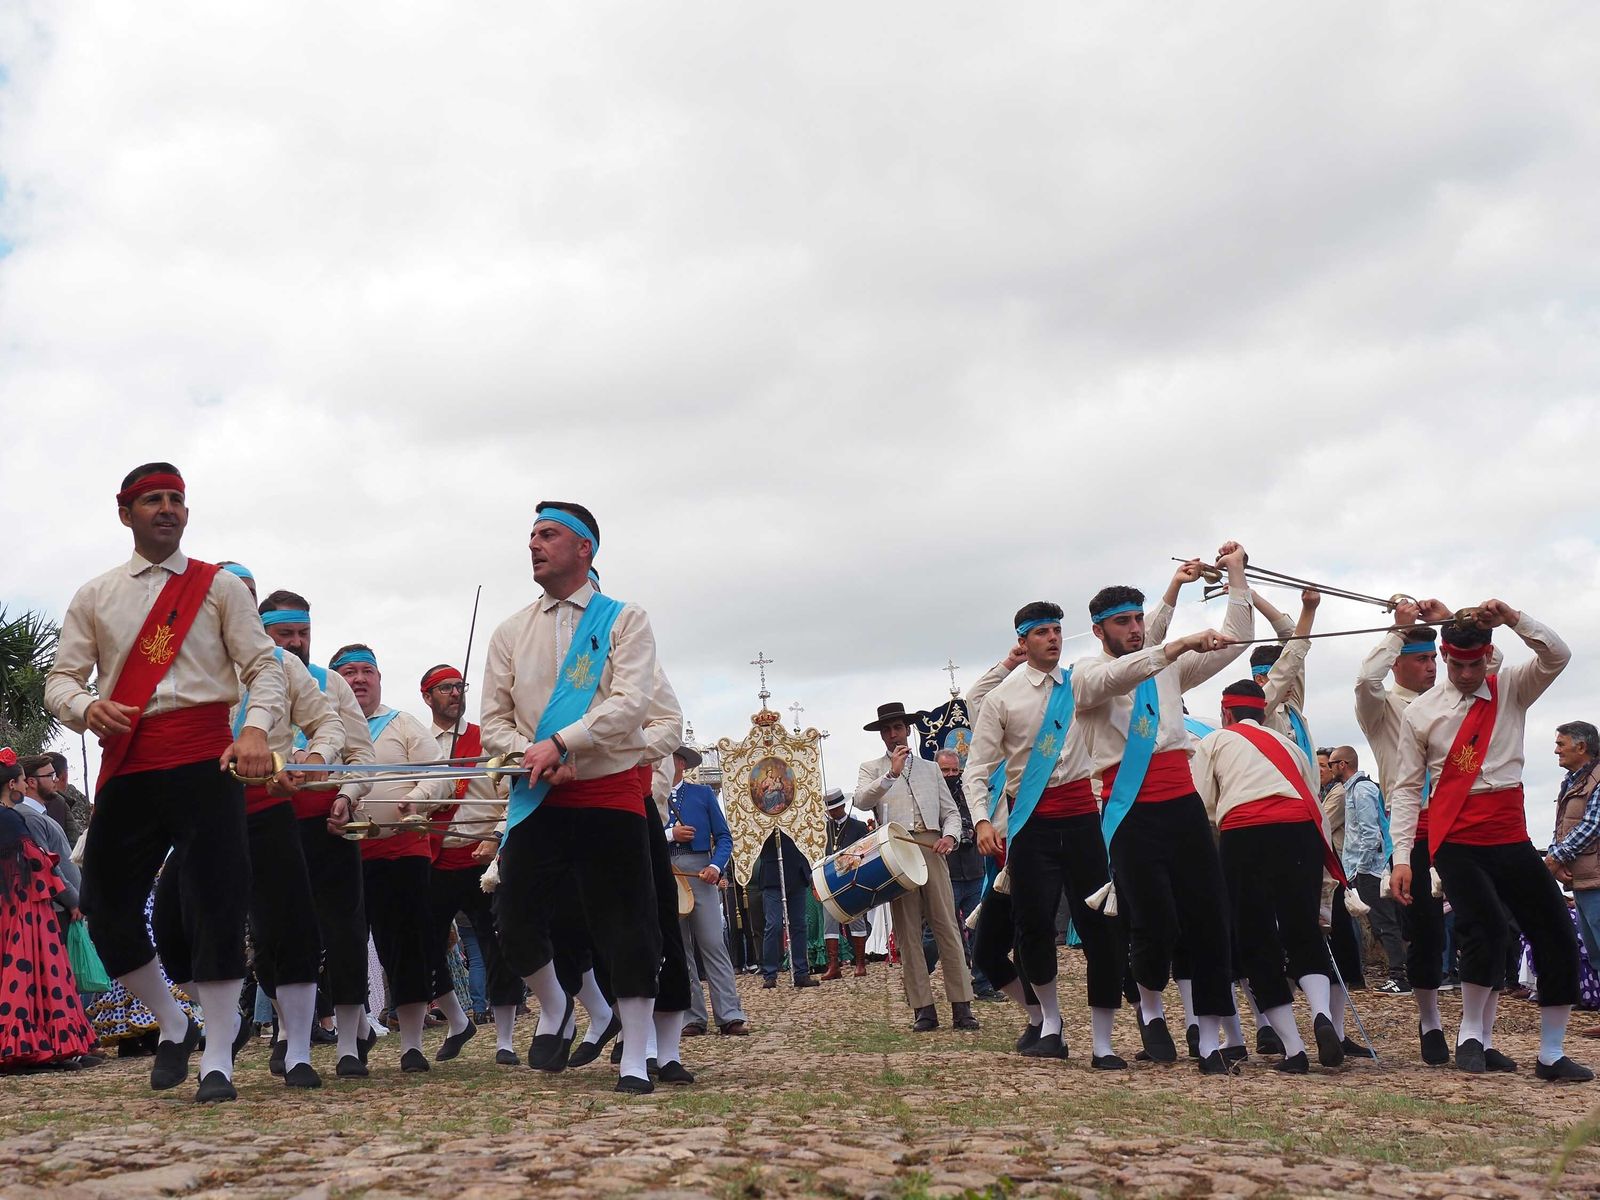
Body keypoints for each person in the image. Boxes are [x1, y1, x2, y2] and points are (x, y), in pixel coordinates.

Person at [44, 462, 286, 1103]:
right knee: (105, 906)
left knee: (217, 902)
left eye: (176, 499)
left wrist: (256, 729)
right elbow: (61, 681)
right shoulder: (96, 595)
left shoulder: (218, 588)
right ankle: (174, 1022)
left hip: (208, 760)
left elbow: (263, 667)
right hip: (131, 763)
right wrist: (85, 708)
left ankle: (219, 1059)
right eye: (152, 500)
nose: (167, 509)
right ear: (125, 513)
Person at [480, 500, 664, 1094]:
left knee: (627, 923)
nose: (534, 544)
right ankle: (556, 1005)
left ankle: (636, 1052)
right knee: (515, 920)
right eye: (531, 535)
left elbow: (632, 703)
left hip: (607, 792)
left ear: (584, 547)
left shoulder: (623, 618)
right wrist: (534, 754)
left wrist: (562, 742)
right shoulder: (510, 631)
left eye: (549, 534)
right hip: (539, 796)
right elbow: (494, 723)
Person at [1070, 542, 1252, 1075]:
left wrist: (1236, 577)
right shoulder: (1085, 675)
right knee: (1155, 924)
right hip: (1130, 811)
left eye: (1137, 619)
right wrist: (1170, 646)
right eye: (1123, 622)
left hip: (1182, 803)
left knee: (1209, 918)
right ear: (1100, 630)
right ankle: (1151, 1008)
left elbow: (1236, 640)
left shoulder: (1166, 668)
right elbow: (1115, 678)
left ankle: (1211, 1034)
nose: (1133, 627)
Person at [1391, 604, 1591, 1082]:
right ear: (1443, 656)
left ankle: (1551, 1053)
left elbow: (1558, 655)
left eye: (1474, 664)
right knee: (1484, 929)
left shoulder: (1511, 689)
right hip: (1455, 836)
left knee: (1555, 933)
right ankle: (1472, 1037)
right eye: (1456, 664)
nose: (1465, 673)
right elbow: (1404, 788)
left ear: (1488, 657)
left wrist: (1514, 617)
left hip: (1509, 833)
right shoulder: (1421, 712)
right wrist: (1402, 857)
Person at [965, 602, 1126, 1067]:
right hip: (1029, 821)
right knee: (1032, 926)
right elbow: (977, 769)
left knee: (1099, 923)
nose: (1053, 638)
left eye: (1057, 630)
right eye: (1042, 632)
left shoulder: (1081, 683)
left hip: (1081, 816)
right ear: (1023, 641)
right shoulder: (1002, 699)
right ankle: (1049, 1022)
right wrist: (979, 820)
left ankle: (1104, 1041)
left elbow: (1128, 665)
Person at [1193, 680, 1346, 1073]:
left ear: (1226, 713)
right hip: (1301, 831)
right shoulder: (1291, 747)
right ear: (1263, 713)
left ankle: (1294, 1048)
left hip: (1246, 831)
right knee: (1302, 929)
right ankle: (1320, 1013)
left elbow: (1205, 804)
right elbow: (1312, 794)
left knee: (1255, 938)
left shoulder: (1215, 742)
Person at [256, 588, 378, 1077]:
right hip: (267, 823)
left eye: (304, 633)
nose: (297, 642)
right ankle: (289, 1030)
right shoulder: (242, 680)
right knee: (270, 936)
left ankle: (350, 1038)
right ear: (261, 633)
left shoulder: (330, 683)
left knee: (345, 931)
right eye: (285, 633)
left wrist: (347, 796)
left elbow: (362, 757)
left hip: (328, 823)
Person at [332, 643, 455, 1074]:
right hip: (340, 852)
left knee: (407, 945)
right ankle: (349, 1040)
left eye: (367, 671)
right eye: (348, 672)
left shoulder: (403, 723)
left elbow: (439, 772)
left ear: (380, 679)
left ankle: (412, 1044)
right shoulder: (321, 727)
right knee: (344, 947)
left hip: (402, 851)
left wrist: (417, 801)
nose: (359, 679)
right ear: (334, 682)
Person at [1355, 609, 1450, 1062]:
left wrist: (1451, 621)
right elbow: (1364, 682)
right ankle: (1429, 1021)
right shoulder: (1383, 708)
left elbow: (1489, 667)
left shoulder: (1449, 700)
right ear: (1398, 662)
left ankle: (1475, 1032)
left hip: (1459, 819)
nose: (1432, 666)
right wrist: (1395, 630)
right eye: (1420, 658)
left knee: (1477, 922)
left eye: (1435, 657)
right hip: (1412, 825)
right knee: (1426, 929)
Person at [418, 663, 525, 1066]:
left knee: (499, 943)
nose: (454, 694)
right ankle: (458, 1020)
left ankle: (505, 1040)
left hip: (483, 858)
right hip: (437, 856)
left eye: (459, 686)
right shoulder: (421, 742)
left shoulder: (487, 739)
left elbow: (513, 795)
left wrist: (495, 835)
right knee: (425, 947)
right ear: (427, 696)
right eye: (445, 688)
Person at [856, 701, 977, 1032]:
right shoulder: (872, 768)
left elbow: (951, 812)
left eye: (898, 728)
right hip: (896, 853)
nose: (894, 734)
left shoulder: (931, 768)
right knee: (908, 932)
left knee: (947, 927)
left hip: (932, 847)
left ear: (907, 730)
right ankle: (923, 1008)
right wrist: (890, 774)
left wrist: (950, 837)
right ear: (882, 736)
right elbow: (861, 801)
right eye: (887, 730)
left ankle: (962, 1005)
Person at [0, 803, 96, 1073]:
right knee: (32, 980)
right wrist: (71, 899)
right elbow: (39, 863)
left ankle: (27, 1048)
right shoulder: (10, 818)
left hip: (8, 910)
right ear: (15, 783)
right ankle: (27, 1049)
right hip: (24, 910)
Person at [667, 746, 749, 1035]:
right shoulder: (649, 796)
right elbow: (642, 834)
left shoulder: (702, 795)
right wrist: (670, 834)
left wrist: (716, 866)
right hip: (666, 873)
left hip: (701, 872)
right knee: (679, 949)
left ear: (679, 762)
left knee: (713, 943)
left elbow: (724, 836)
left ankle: (729, 1013)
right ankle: (692, 1017)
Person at [1334, 748, 1408, 995]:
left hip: (1370, 870)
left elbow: (1370, 832)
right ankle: (1397, 973)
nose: (1329, 768)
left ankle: (1399, 976)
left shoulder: (1362, 790)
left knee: (1385, 922)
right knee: (1380, 923)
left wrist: (1361, 867)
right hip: (1364, 868)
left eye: (1332, 763)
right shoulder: (1353, 790)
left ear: (1343, 765)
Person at [1548, 720, 1600, 1037]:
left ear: (1581, 747)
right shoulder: (1572, 781)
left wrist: (1556, 857)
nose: (1556, 749)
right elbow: (1562, 826)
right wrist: (1556, 853)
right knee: (1595, 951)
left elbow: (1592, 824)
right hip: (1583, 878)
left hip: (1595, 878)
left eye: (1561, 743)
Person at [931, 749, 988, 996]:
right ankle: (920, 974)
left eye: (955, 770)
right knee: (938, 933)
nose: (951, 775)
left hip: (974, 871)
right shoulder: (932, 796)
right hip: (947, 872)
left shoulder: (969, 793)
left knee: (979, 930)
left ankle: (982, 984)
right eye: (945, 770)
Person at [818, 788, 872, 980]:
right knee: (829, 923)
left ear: (843, 805)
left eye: (836, 808)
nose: (833, 812)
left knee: (856, 919)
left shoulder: (858, 826)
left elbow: (865, 852)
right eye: (830, 809)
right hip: (830, 883)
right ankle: (834, 966)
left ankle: (860, 962)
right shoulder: (824, 829)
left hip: (853, 881)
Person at [756, 827, 816, 990]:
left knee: (799, 924)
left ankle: (801, 972)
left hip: (797, 870)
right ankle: (770, 973)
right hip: (772, 874)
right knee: (773, 925)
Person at [18, 754, 73, 837]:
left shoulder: (39, 814)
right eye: (51, 776)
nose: (56, 780)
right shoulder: (30, 817)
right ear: (32, 782)